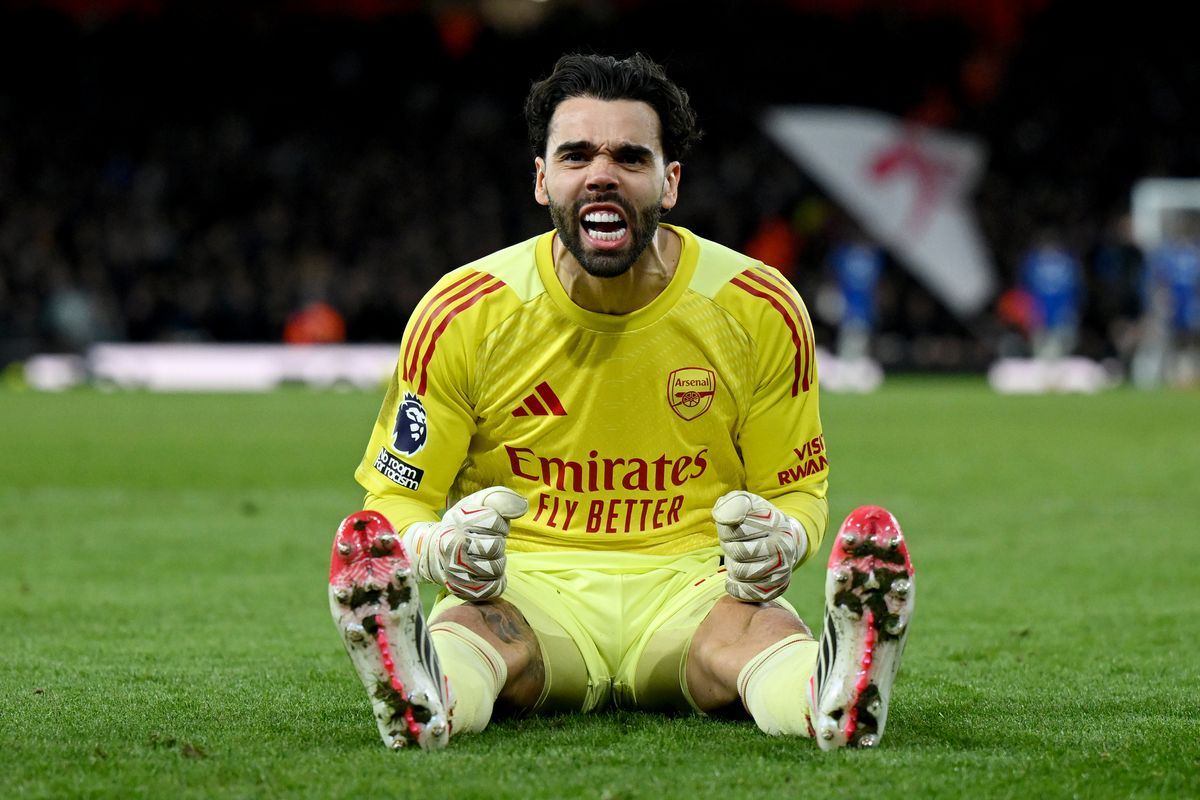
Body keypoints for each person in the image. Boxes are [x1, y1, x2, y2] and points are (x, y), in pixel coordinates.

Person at [327, 53, 915, 752]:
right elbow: (394, 503)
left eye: (629, 157)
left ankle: (834, 700)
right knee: (473, 637)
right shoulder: (464, 313)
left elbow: (798, 489)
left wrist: (783, 540)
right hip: (523, 586)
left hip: (695, 587)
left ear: (668, 184)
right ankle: (424, 696)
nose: (601, 173)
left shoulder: (757, 307)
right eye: (576, 154)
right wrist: (436, 549)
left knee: (762, 634)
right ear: (542, 179)